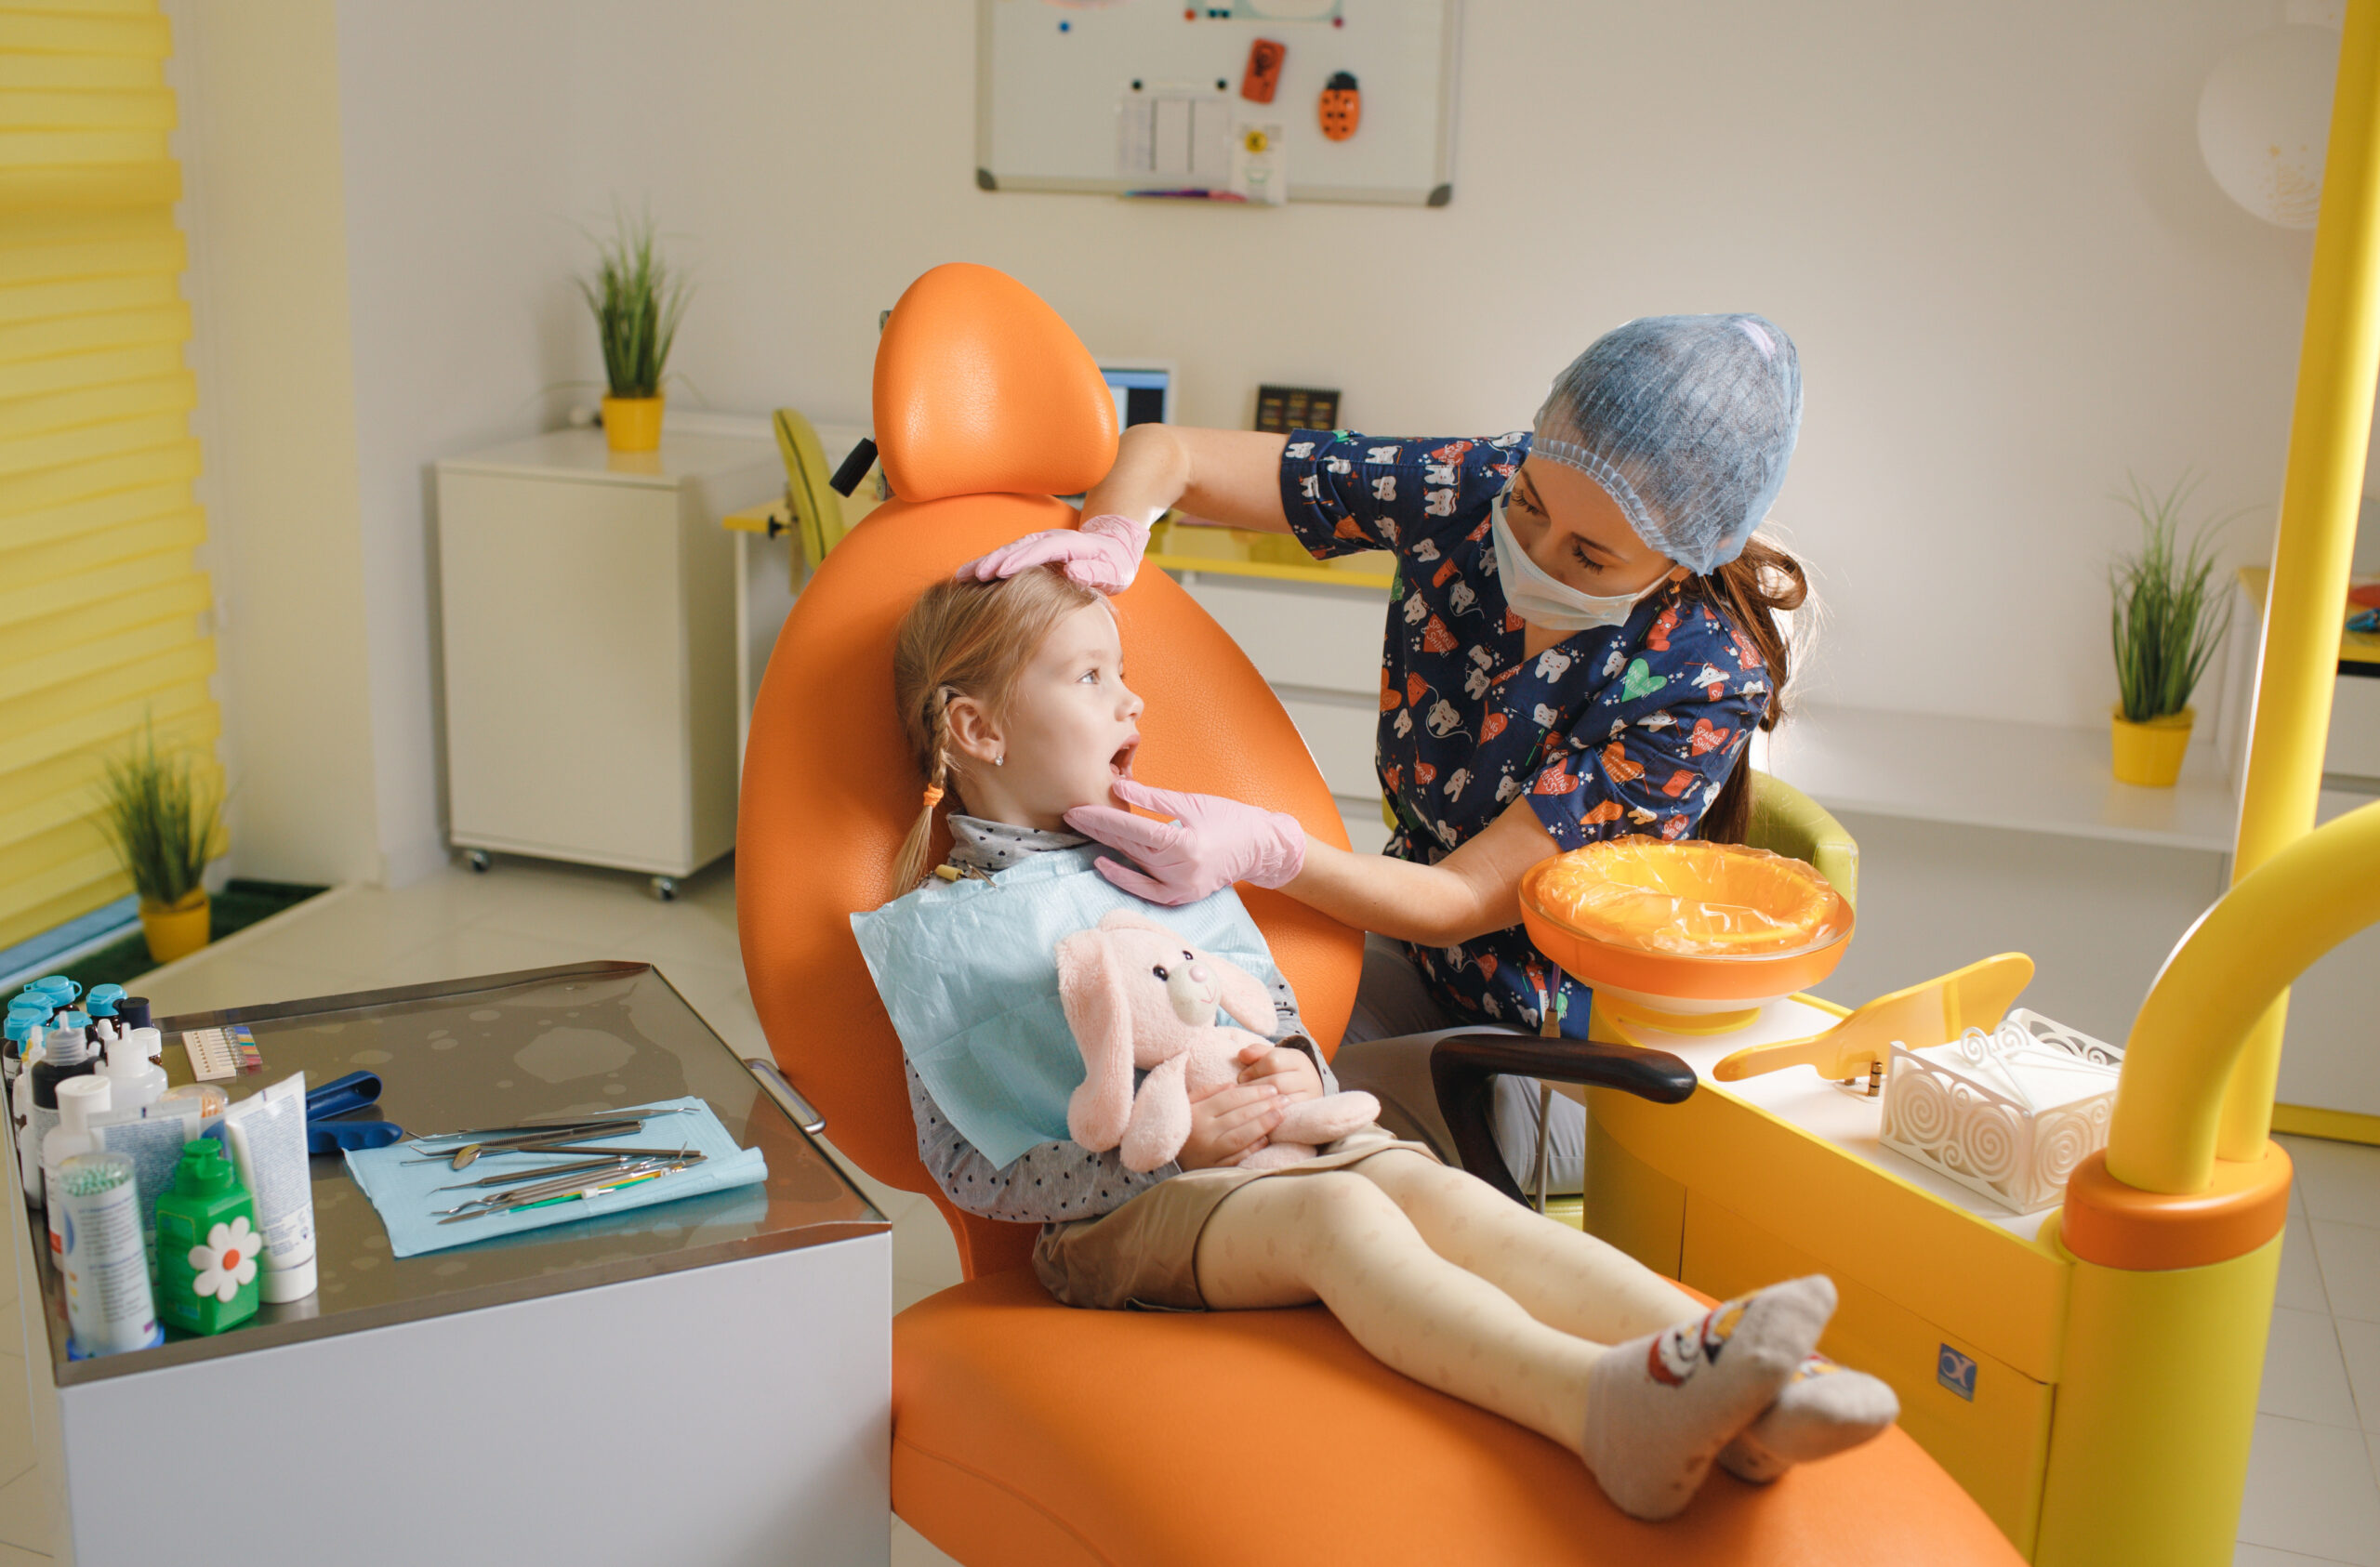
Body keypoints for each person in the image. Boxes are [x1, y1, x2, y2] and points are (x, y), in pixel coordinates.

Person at [863, 564, 1894, 1521]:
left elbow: (1275, 1019)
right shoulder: (945, 936)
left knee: (1438, 1190)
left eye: (1123, 672)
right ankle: (1600, 1408)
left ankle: (1757, 1387)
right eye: (1091, 677)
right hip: (1111, 1229)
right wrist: (1168, 1146)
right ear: (977, 728)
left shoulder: (1150, 856)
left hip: (1291, 1147)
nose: (1132, 702)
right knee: (1340, 1216)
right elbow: (966, 1168)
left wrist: (1285, 1072)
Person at [960, 313, 1810, 1193]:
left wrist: (1270, 849)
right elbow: (1168, 452)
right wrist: (1110, 536)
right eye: (1531, 506)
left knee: (1255, 1130)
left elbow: (1460, 899)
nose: (1535, 554)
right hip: (1424, 973)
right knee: (1180, 1057)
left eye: (1591, 557)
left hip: (1571, 1058)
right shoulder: (1469, 487)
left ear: (1679, 565)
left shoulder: (1704, 678)